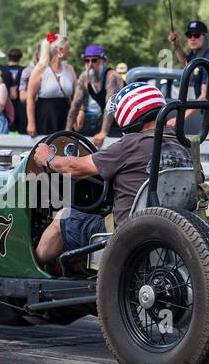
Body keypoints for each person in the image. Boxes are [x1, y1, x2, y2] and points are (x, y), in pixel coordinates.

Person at [31, 83, 172, 267]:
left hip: (126, 232)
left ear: (130, 112)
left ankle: (34, 268)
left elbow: (74, 168)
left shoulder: (131, 144)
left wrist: (47, 157)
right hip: (167, 229)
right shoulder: (180, 142)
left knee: (62, 217)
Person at [167, 20, 209, 135]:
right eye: (189, 35)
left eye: (196, 35)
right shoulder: (197, 55)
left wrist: (180, 118)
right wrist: (176, 45)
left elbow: (204, 96)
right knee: (207, 151)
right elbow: (186, 63)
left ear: (205, 37)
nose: (192, 38)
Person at [69, 44, 120, 145]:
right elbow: (75, 104)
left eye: (94, 60)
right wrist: (67, 130)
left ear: (103, 61)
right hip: (107, 120)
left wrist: (103, 132)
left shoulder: (111, 76)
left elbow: (110, 105)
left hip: (121, 121)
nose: (90, 64)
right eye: (87, 60)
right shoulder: (85, 77)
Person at [26, 33, 77, 135]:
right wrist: (31, 123)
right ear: (59, 50)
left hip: (66, 113)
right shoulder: (40, 69)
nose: (69, 51)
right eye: (68, 48)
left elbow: (76, 95)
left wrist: (80, 111)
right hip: (46, 115)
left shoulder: (69, 69)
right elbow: (30, 97)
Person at [4, 47, 26, 133]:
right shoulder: (25, 70)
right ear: (20, 58)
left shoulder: (2, 70)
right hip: (22, 105)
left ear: (8, 57)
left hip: (5, 104)